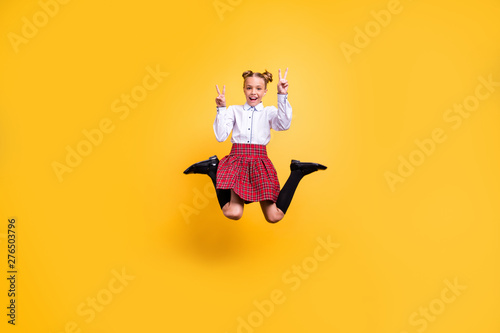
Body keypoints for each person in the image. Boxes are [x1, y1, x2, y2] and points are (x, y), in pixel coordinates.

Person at [184, 68, 326, 223]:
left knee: (274, 216)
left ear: (265, 91)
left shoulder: (269, 112)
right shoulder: (234, 110)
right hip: (237, 162)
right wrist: (221, 108)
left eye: (258, 88)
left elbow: (284, 124)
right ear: (244, 89)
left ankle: (297, 172)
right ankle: (213, 169)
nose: (253, 92)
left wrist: (282, 95)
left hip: (259, 163)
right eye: (249, 87)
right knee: (234, 213)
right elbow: (220, 136)